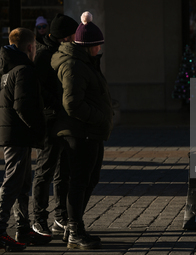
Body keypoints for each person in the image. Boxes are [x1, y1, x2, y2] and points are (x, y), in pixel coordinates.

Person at [51, 11, 114, 249]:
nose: (100, 48)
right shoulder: (74, 66)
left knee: (90, 178)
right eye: (97, 44)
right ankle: (74, 228)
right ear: (89, 45)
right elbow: (72, 103)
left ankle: (73, 225)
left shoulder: (86, 62)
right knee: (79, 181)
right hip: (81, 132)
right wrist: (98, 117)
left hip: (90, 131)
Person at [0, 28, 48, 251]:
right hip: (18, 134)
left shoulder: (7, 70)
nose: (36, 51)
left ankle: (23, 228)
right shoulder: (24, 71)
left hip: (12, 133)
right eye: (36, 47)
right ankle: (1, 229)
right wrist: (40, 130)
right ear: (30, 47)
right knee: (13, 182)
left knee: (21, 183)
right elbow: (24, 107)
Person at [32, 13, 79, 238]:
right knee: (45, 169)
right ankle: (38, 218)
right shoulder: (44, 56)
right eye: (72, 36)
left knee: (64, 171)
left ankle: (60, 218)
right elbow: (40, 91)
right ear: (64, 37)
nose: (74, 39)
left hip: (64, 118)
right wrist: (60, 105)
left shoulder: (64, 52)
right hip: (51, 119)